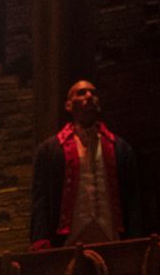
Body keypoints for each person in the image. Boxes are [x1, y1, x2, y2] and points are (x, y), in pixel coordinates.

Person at [29, 80, 146, 251]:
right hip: (66, 245)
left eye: (94, 93)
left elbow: (133, 199)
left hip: (112, 241)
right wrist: (40, 240)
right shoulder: (50, 151)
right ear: (68, 105)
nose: (90, 96)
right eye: (81, 93)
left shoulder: (120, 148)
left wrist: (136, 240)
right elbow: (41, 200)